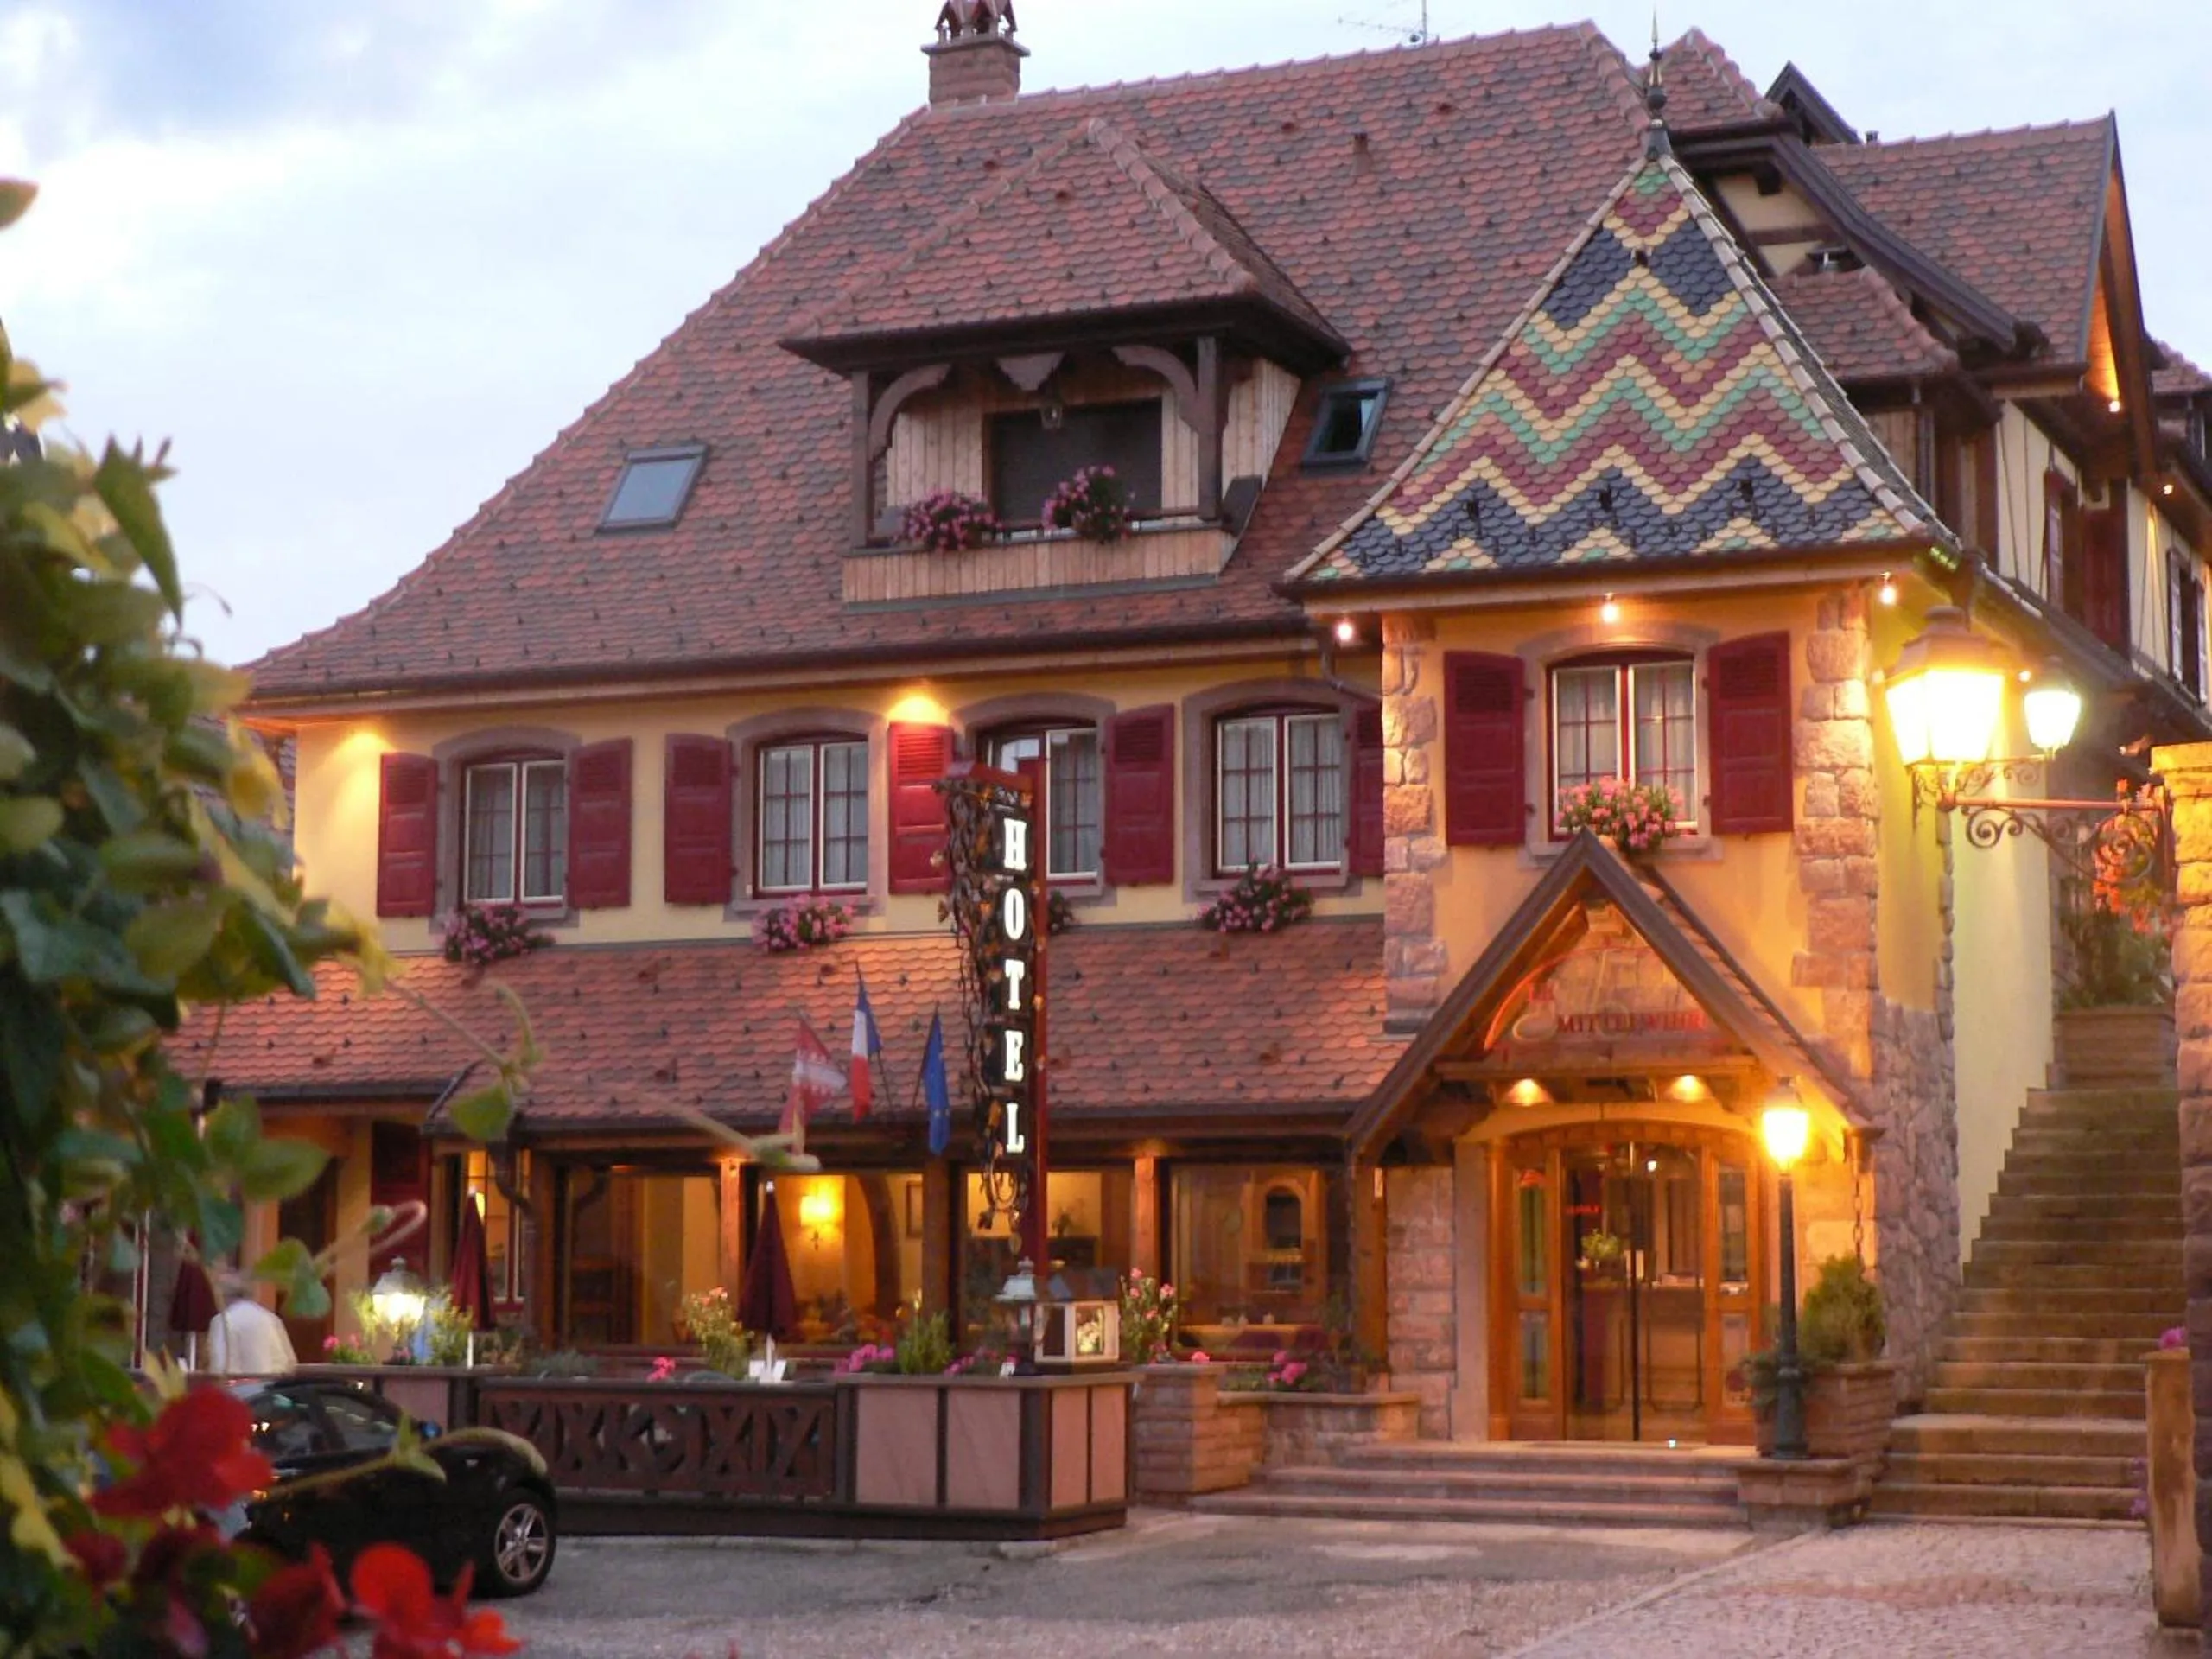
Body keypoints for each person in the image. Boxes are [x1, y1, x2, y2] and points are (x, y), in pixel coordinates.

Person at [204, 1291, 297, 1376]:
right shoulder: (271, 1318)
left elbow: (220, 1367)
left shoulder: (222, 1321)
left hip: (237, 1390)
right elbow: (288, 1363)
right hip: (270, 1388)